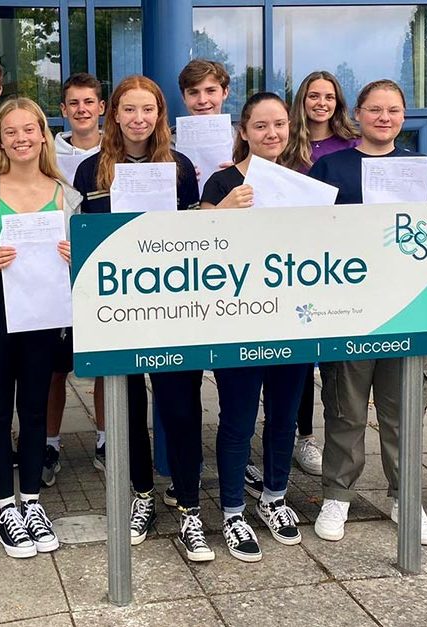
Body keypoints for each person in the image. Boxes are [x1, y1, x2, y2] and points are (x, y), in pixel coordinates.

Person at [73, 75, 214, 562]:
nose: (138, 119)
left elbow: (198, 233)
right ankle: (141, 494)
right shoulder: (92, 170)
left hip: (174, 306)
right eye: (129, 110)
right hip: (118, 310)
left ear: (160, 115)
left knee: (181, 406)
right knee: (126, 405)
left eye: (147, 110)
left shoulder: (181, 168)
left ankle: (190, 506)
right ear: (114, 114)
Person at [308, 79, 427, 547]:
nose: (383, 118)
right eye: (374, 110)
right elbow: (310, 233)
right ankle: (338, 494)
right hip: (351, 310)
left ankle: (403, 497)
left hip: (409, 308)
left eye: (392, 110)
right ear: (360, 115)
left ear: (403, 116)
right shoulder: (331, 167)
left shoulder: (421, 168)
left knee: (403, 409)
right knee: (345, 409)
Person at [0, 97, 81, 558]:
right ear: (0, 139)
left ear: (43, 134)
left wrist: (77, 259)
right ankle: (6, 508)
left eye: (29, 129)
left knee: (34, 410)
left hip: (41, 317)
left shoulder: (66, 195)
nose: (21, 139)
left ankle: (32, 501)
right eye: (10, 132)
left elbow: (81, 267)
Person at [201, 92, 312, 563]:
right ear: (243, 132)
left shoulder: (304, 181)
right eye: (261, 126)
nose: (272, 134)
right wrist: (222, 209)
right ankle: (231, 511)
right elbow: (193, 240)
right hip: (238, 320)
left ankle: (274, 497)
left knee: (285, 416)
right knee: (238, 420)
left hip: (293, 316)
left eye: (280, 124)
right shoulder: (222, 180)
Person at [174, 59, 264, 503]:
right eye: (194, 94)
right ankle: (177, 465)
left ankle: (237, 455)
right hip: (190, 272)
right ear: (184, 99)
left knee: (236, 377)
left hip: (241, 277)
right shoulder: (169, 147)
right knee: (181, 380)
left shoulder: (247, 152)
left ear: (225, 93)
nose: (203, 100)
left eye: (211, 91)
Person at [280, 70, 361, 477]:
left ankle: (332, 441)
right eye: (313, 96)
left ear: (338, 102)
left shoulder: (351, 144)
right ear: (303, 101)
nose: (321, 103)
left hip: (337, 259)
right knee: (298, 353)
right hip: (293, 258)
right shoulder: (286, 145)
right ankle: (302, 435)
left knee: (329, 358)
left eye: (329, 96)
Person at [44, 72, 106, 488]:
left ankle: (105, 439)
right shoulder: (47, 150)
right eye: (73, 103)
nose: (82, 109)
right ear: (64, 110)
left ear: (102, 108)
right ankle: (50, 443)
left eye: (89, 102)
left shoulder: (116, 153)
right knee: (54, 368)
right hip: (52, 270)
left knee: (104, 362)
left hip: (101, 271)